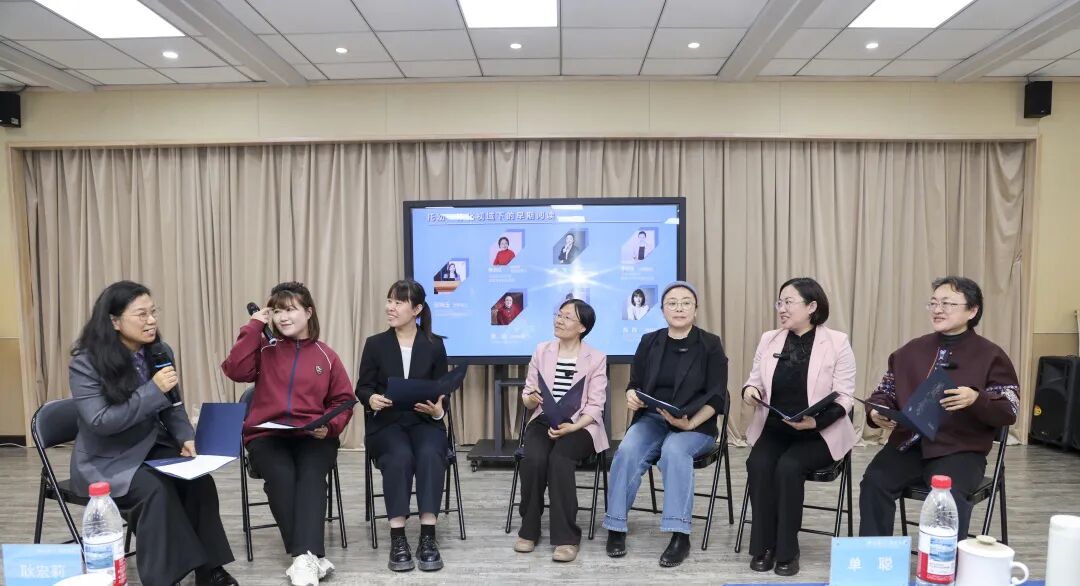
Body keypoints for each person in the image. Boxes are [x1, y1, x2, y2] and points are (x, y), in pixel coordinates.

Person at [69, 281, 236, 586]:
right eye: (141, 314)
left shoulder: (159, 352)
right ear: (115, 321)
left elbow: (173, 405)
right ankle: (163, 579)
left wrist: (185, 437)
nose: (151, 321)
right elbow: (100, 421)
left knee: (199, 482)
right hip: (106, 460)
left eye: (153, 312)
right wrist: (152, 391)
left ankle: (211, 570)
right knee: (155, 491)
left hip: (148, 445)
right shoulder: (86, 363)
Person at [859, 276, 1020, 540]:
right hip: (909, 444)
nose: (938, 309)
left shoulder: (991, 355)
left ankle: (941, 563)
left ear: (972, 310)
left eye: (948, 304)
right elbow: (884, 393)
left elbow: (1009, 409)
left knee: (949, 498)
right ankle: (877, 558)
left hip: (960, 449)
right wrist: (876, 412)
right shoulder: (910, 351)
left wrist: (976, 398)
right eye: (933, 303)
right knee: (874, 482)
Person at [221, 281, 355, 586]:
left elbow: (343, 401)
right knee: (281, 475)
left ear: (308, 312)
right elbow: (235, 370)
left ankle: (302, 559)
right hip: (267, 437)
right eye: (277, 311)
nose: (283, 317)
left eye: (290, 310)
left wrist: (329, 427)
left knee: (310, 476)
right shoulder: (263, 349)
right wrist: (253, 327)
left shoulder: (326, 355)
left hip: (313, 436)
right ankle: (308, 557)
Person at [603, 281, 728, 568]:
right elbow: (635, 384)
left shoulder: (710, 344)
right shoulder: (650, 341)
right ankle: (616, 525)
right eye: (672, 303)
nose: (679, 308)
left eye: (686, 302)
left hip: (694, 423)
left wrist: (690, 423)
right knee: (627, 450)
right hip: (653, 418)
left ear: (696, 309)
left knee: (674, 451)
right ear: (662, 310)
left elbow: (718, 395)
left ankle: (679, 534)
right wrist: (631, 395)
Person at [740, 277, 856, 577]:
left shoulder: (837, 342)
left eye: (788, 302)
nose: (781, 308)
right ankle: (764, 545)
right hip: (776, 428)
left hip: (819, 432)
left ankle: (787, 551)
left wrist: (816, 421)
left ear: (812, 306)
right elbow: (754, 380)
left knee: (789, 467)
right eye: (779, 302)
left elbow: (845, 397)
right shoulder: (769, 339)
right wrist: (749, 391)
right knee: (758, 463)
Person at [355, 279, 450, 573]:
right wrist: (371, 399)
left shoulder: (434, 345)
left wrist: (438, 411)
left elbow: (442, 391)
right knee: (399, 457)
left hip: (424, 420)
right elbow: (363, 387)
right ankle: (398, 538)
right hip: (387, 423)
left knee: (430, 454)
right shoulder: (375, 344)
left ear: (417, 309)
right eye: (389, 301)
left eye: (398, 302)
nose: (390, 307)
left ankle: (427, 537)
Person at [514, 299, 608, 563]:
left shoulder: (596, 358)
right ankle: (529, 529)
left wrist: (573, 427)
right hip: (545, 419)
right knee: (534, 459)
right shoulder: (541, 350)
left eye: (567, 317)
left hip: (581, 425)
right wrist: (531, 398)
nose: (559, 320)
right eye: (559, 314)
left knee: (559, 459)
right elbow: (527, 397)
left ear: (582, 327)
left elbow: (596, 406)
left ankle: (567, 537)